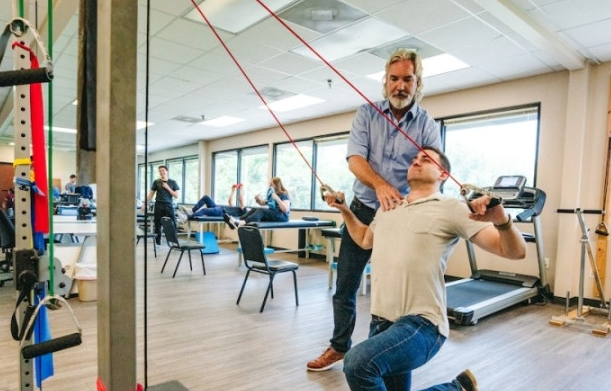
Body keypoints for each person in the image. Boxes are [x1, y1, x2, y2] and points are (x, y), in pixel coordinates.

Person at [325, 147, 526, 391]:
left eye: (425, 159)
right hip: (382, 323)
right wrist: (345, 209)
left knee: (358, 364)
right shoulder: (389, 207)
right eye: (414, 159)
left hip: (422, 324)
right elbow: (364, 239)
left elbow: (515, 252)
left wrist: (502, 222)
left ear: (442, 174)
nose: (416, 161)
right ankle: (457, 389)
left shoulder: (452, 207)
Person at [307, 48, 442, 372]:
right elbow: (356, 159)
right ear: (385, 81)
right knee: (346, 287)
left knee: (396, 291)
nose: (400, 86)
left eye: (407, 79)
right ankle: (340, 347)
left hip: (401, 215)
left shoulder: (426, 124)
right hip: (363, 208)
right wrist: (380, 185)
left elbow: (431, 168)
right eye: (394, 79)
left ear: (417, 82)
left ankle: (384, 353)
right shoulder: (367, 113)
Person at [222, 177, 289, 228]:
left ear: (277, 185)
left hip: (282, 216)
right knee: (255, 209)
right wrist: (258, 200)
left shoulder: (284, 194)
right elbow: (264, 203)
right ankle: (236, 221)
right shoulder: (272, 194)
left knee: (261, 211)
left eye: (271, 184)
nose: (269, 186)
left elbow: (285, 209)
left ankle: (242, 223)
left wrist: (277, 199)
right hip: (273, 213)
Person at [143, 165, 179, 243]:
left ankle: (175, 242)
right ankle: (157, 242)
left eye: (163, 170)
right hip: (159, 205)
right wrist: (145, 204)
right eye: (160, 171)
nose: (161, 172)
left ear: (167, 171)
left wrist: (168, 187)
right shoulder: (156, 182)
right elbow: (151, 194)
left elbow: (176, 196)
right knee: (158, 224)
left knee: (173, 223)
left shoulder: (173, 182)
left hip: (168, 205)